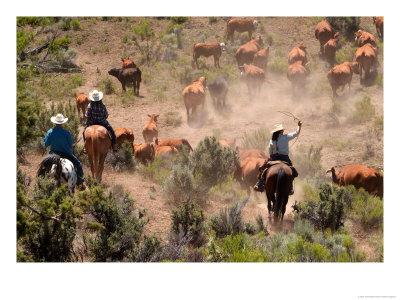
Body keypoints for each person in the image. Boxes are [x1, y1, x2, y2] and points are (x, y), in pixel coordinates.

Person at [254, 121, 302, 194]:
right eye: (282, 130)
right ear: (281, 131)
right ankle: (291, 187)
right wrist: (299, 126)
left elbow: (270, 152)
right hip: (285, 158)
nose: (283, 131)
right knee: (292, 171)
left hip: (274, 158)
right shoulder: (286, 137)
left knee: (263, 168)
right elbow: (297, 133)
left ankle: (260, 184)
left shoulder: (272, 140)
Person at [44, 113, 86, 190]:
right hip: (66, 154)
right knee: (78, 164)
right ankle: (80, 182)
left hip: (53, 154)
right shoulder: (66, 133)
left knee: (44, 167)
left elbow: (46, 144)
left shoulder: (50, 132)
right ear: (62, 123)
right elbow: (70, 145)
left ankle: (43, 181)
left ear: (55, 122)